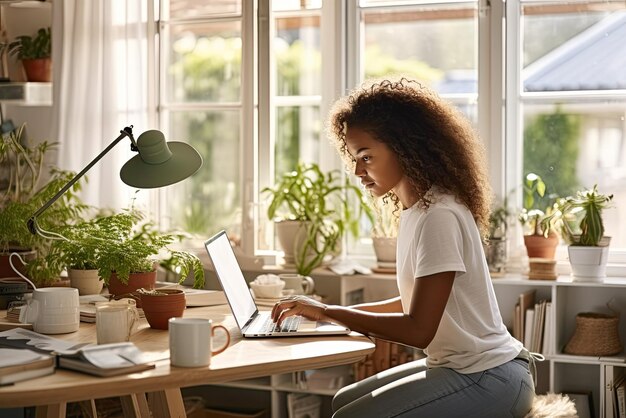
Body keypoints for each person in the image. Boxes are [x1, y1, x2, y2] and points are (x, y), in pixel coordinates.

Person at [271, 78, 536, 417]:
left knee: (349, 416)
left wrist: (328, 313)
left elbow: (419, 328)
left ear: (406, 148)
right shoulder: (418, 210)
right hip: (465, 368)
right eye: (354, 157)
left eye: (366, 157)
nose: (357, 171)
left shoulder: (438, 215)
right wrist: (331, 313)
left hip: (491, 377)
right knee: (341, 402)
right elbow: (413, 301)